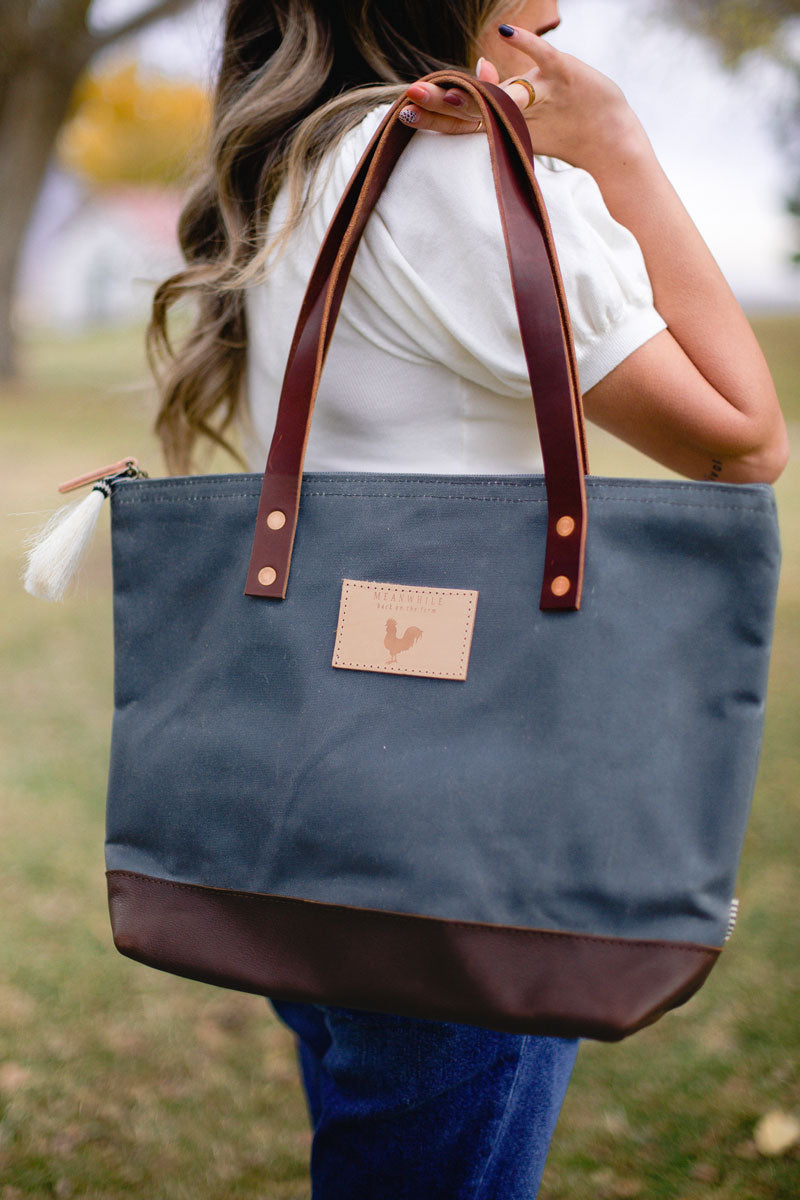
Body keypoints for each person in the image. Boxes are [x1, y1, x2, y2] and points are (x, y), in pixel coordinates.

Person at [148, 2, 788, 1197]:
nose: (557, 9)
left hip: (312, 788)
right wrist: (620, 148)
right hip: (461, 827)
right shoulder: (449, 172)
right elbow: (741, 441)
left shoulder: (306, 154)